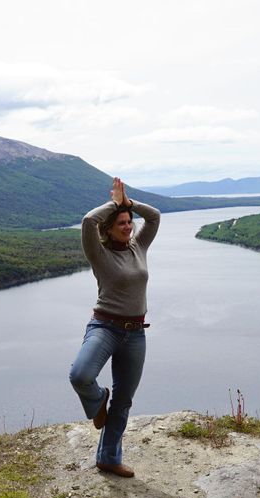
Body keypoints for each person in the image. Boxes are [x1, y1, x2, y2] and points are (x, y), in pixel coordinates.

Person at [68, 176, 160, 478]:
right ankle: (97, 402)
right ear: (107, 228)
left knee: (123, 400)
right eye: (120, 222)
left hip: (136, 333)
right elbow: (86, 220)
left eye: (128, 221)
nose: (127, 226)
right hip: (105, 327)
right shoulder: (99, 253)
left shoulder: (139, 246)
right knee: (80, 374)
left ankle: (108, 457)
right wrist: (114, 204)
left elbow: (154, 216)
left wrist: (129, 204)